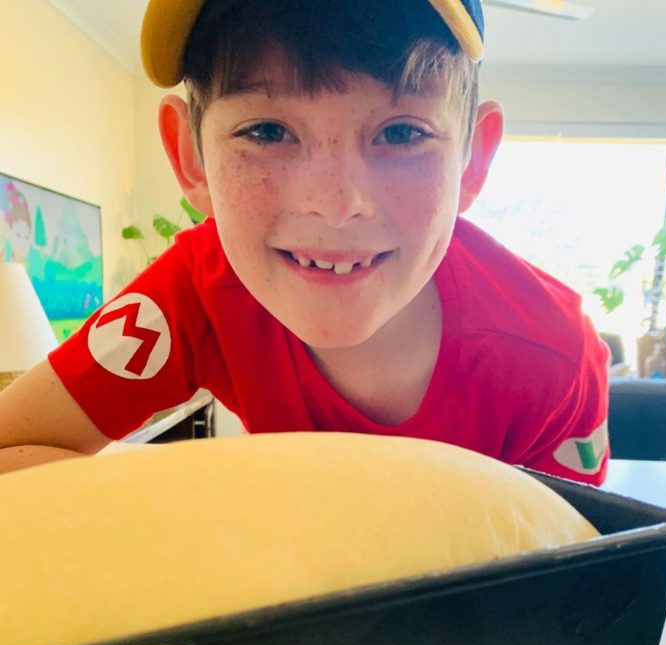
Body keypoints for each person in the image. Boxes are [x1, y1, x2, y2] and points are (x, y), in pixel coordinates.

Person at [0, 0, 609, 482]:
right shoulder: (194, 292)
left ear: (472, 160)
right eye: (266, 131)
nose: (336, 205)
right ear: (191, 157)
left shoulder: (556, 358)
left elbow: (576, 586)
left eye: (401, 132)